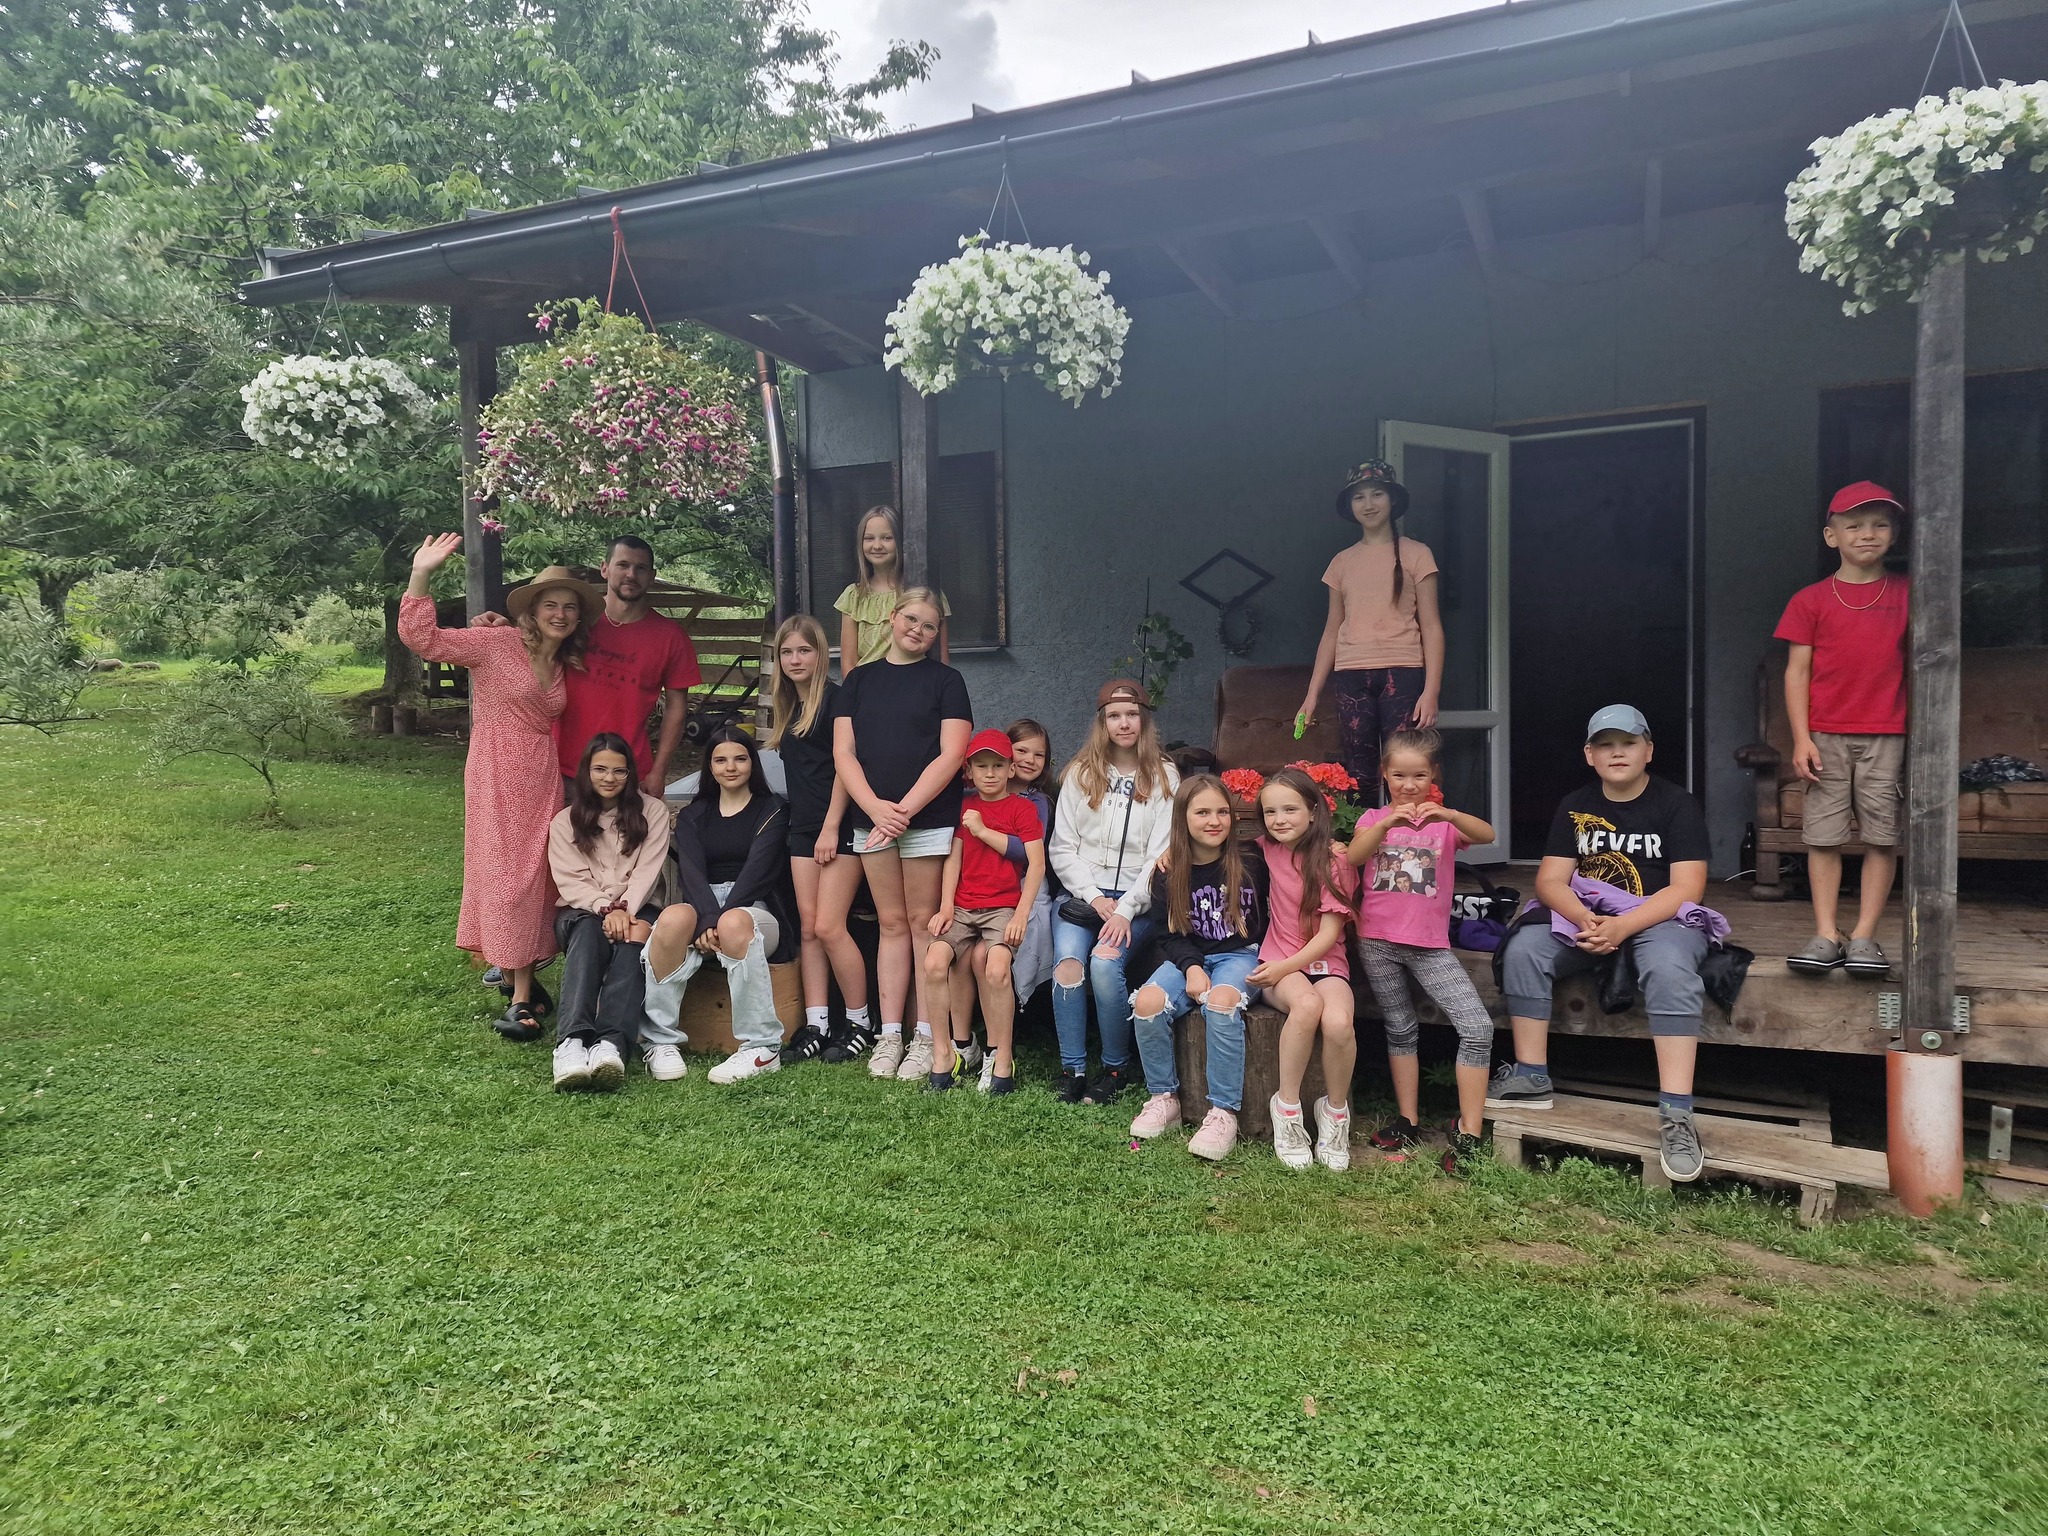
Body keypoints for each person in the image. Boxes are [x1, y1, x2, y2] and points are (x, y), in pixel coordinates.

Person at [1486, 706, 1715, 1183]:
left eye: (1629, 743)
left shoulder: (1677, 804)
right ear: (1590, 755)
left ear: (1648, 751)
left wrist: (1622, 926)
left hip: (1658, 915)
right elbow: (1550, 880)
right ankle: (1531, 1075)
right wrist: (1582, 918)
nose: (1617, 753)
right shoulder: (1575, 805)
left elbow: (1687, 889)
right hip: (1589, 914)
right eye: (1606, 745)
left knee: (1670, 970)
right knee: (1524, 948)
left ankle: (1677, 1114)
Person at [400, 535, 596, 1039]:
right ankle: (521, 997)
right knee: (507, 880)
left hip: (541, 777)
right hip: (495, 774)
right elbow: (424, 640)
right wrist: (422, 574)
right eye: (550, 604)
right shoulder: (496, 644)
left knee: (536, 879)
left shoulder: (565, 662)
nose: (560, 614)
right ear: (532, 609)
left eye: (569, 607)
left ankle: (515, 978)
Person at [824, 588, 971, 1078]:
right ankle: (889, 1036)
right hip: (872, 820)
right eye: (911, 619)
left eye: (929, 626)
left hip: (925, 819)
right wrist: (873, 809)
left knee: (923, 923)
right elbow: (844, 753)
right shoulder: (859, 680)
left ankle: (926, 1037)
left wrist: (903, 812)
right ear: (892, 617)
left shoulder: (947, 681)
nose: (918, 630)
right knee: (889, 924)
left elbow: (952, 753)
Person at [1346, 728, 1500, 1175]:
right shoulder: (1373, 818)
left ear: (1434, 775)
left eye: (1419, 776)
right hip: (1377, 940)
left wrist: (1449, 813)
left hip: (1429, 946)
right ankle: (1407, 1120)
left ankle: (1469, 1130)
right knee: (1400, 1028)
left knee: (1477, 1028)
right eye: (1399, 775)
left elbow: (1488, 834)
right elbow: (1355, 857)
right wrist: (1385, 824)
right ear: (1385, 774)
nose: (1409, 785)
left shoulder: (1445, 824)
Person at [1775, 481, 1909, 979]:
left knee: (1881, 837)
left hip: (1887, 732)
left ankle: (1865, 936)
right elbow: (1796, 674)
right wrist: (1801, 738)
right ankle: (1827, 934)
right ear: (1832, 536)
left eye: (1879, 524)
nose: (1867, 534)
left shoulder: (1911, 593)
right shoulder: (1810, 600)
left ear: (1894, 533)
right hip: (1825, 735)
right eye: (1853, 526)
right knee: (1823, 837)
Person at [477, 536, 700, 792]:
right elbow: (533, 644)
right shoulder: (572, 621)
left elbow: (676, 709)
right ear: (604, 568)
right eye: (622, 565)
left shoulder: (670, 637)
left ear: (652, 576)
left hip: (625, 771)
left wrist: (659, 772)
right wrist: (504, 632)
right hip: (560, 766)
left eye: (640, 568)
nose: (631, 574)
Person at [1046, 681, 1180, 1107]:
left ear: (1145, 720)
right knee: (1069, 965)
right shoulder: (1081, 774)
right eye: (1114, 716)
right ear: (1102, 723)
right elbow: (1061, 848)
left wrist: (1124, 908)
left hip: (1136, 899)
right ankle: (1072, 1069)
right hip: (1083, 896)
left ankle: (1115, 1067)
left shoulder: (1165, 776)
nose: (1124, 724)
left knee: (1104, 964)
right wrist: (1092, 895)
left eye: (1132, 714)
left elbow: (1161, 855)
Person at [642, 727, 799, 1084]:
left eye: (740, 759)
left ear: (752, 763)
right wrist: (705, 919)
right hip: (704, 905)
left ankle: (761, 1047)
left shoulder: (773, 809)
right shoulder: (694, 815)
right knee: (671, 918)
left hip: (756, 909)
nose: (731, 767)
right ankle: (660, 1040)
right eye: (721, 760)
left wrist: (716, 921)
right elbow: (692, 874)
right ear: (709, 767)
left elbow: (758, 873)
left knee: (733, 922)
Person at [1127, 775, 1271, 1163]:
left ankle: (1223, 1112)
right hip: (1187, 955)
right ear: (1183, 818)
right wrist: (1191, 968)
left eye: (1222, 812)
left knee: (1222, 1002)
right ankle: (1164, 1098)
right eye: (1202, 812)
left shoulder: (1252, 861)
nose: (1214, 821)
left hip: (1240, 955)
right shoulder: (1167, 871)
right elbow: (1168, 934)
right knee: (1147, 1002)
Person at [1297, 460, 1446, 801]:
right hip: (1351, 674)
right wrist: (1311, 695)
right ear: (1350, 506)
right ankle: (1363, 835)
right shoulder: (1341, 562)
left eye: (1377, 494)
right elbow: (1332, 630)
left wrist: (1431, 690)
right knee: (1358, 773)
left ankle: (1408, 835)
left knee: (1406, 769)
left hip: (1403, 672)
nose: (1369, 504)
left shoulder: (1418, 554)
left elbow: (1432, 626)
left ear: (1393, 499)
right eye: (1359, 497)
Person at [764, 615, 873, 1066]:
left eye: (804, 651)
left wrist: (831, 826)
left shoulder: (836, 700)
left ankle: (861, 1023)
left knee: (830, 926)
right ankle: (817, 1023)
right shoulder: (787, 704)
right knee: (808, 928)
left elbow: (847, 768)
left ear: (820, 653)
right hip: (802, 827)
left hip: (839, 826)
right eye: (786, 652)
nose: (795, 660)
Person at [546, 733, 671, 1091]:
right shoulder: (565, 821)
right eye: (600, 769)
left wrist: (624, 911)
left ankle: (611, 1045)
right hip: (582, 911)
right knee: (587, 933)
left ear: (630, 774)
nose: (609, 778)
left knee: (633, 943)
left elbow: (648, 871)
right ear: (586, 772)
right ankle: (571, 1042)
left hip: (640, 907)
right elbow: (572, 882)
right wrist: (607, 909)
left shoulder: (653, 812)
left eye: (619, 770)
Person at [922, 729, 1044, 1093]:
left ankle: (1002, 1057)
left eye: (998, 766)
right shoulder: (963, 806)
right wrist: (945, 906)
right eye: (981, 766)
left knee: (996, 969)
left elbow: (1036, 864)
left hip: (1003, 907)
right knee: (934, 962)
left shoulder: (1023, 808)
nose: (990, 774)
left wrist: (1021, 914)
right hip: (962, 907)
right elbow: (953, 860)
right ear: (969, 771)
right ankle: (943, 1054)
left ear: (1010, 769)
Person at [1251, 768, 1359, 1173]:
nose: (1279, 819)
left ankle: (1335, 1113)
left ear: (1314, 810)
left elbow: (1329, 934)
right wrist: (1167, 854)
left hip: (1322, 962)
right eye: (1270, 812)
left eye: (1290, 809)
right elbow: (1207, 841)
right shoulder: (1265, 848)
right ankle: (1287, 1109)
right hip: (1278, 962)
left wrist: (1284, 966)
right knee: (1307, 1005)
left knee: (1339, 1022)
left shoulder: (1334, 859)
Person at [834, 506, 950, 670]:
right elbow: (848, 663)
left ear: (901, 541)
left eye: (887, 538)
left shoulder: (924, 594)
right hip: (867, 683)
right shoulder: (854, 596)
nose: (877, 545)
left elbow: (942, 658)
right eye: (869, 538)